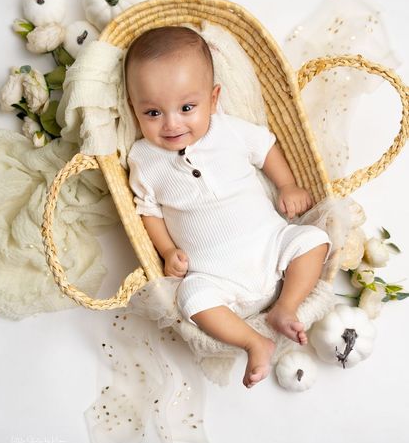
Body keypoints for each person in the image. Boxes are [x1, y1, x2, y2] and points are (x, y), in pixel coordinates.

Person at [124, 26, 331, 389]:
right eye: (153, 112)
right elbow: (148, 210)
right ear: (133, 108)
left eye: (187, 108)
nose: (172, 123)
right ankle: (254, 341)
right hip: (215, 277)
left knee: (313, 239)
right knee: (190, 298)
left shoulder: (229, 130)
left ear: (214, 99)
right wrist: (168, 249)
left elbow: (265, 147)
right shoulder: (143, 157)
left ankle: (286, 306)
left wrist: (286, 184)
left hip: (271, 246)